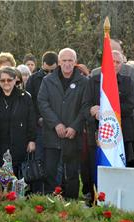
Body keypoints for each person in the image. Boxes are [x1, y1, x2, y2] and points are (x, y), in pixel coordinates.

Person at [84, 50, 134, 199]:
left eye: (118, 62)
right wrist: (92, 110)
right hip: (98, 135)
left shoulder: (127, 82)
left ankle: (120, 199)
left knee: (120, 171)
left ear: (122, 65)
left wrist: (108, 111)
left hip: (120, 136)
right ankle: (96, 198)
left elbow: (130, 106)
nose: (114, 65)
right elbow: (84, 106)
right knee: (98, 169)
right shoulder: (92, 81)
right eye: (111, 61)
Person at [38, 48, 87, 199]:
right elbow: (42, 103)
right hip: (52, 135)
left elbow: (85, 106)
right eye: (64, 60)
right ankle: (49, 203)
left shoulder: (84, 81)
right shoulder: (48, 80)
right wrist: (56, 124)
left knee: (71, 173)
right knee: (50, 171)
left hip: (73, 136)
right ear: (59, 62)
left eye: (70, 60)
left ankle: (71, 204)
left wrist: (74, 126)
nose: (67, 64)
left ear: (75, 62)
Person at [0, 66, 36, 179]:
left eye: (9, 80)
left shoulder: (25, 97)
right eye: (2, 80)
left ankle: (16, 195)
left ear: (15, 80)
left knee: (16, 174)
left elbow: (31, 120)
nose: (6, 83)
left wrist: (31, 140)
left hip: (18, 140)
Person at [25, 51, 58, 193]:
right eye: (46, 71)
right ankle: (37, 192)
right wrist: (39, 118)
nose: (49, 74)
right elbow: (30, 103)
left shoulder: (61, 79)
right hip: (39, 126)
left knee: (56, 163)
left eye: (52, 71)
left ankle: (55, 192)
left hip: (56, 126)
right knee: (38, 161)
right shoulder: (33, 80)